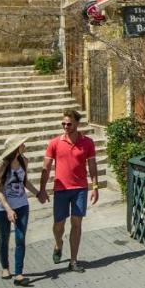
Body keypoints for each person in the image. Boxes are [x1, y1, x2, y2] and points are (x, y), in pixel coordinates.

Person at [40, 109, 99, 272]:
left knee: (76, 223)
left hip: (80, 188)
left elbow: (92, 166)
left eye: (69, 124)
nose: (65, 126)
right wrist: (42, 189)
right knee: (58, 224)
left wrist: (95, 186)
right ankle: (58, 243)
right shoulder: (54, 143)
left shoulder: (87, 142)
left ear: (77, 124)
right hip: (61, 189)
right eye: (63, 123)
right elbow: (46, 167)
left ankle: (73, 261)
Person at [0, 134, 43, 286]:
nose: (24, 145)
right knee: (4, 237)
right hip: (2, 209)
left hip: (22, 205)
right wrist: (8, 209)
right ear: (15, 148)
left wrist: (38, 193)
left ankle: (19, 274)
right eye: (22, 144)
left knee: (20, 238)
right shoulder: (1, 165)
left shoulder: (24, 161)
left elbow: (25, 181)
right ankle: (5, 268)